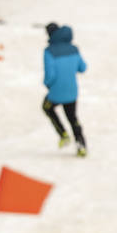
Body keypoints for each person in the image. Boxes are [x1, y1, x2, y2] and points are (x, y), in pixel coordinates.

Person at [42, 22, 88, 157]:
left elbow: (50, 76)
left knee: (47, 107)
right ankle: (81, 146)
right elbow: (83, 68)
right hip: (72, 91)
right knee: (72, 118)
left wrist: (48, 85)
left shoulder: (48, 51)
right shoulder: (74, 49)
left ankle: (63, 134)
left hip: (56, 92)